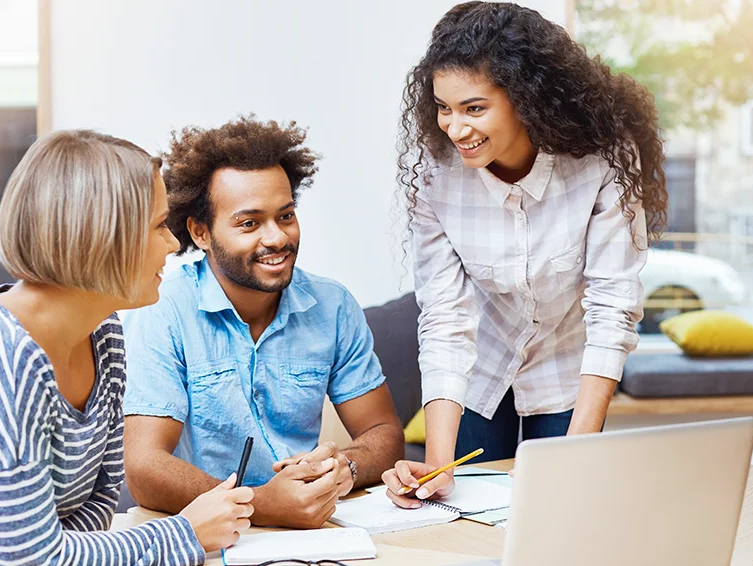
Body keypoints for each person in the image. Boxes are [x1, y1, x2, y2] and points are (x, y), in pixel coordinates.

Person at [0, 130, 254, 566]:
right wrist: (185, 533)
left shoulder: (104, 334)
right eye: (157, 227)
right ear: (102, 235)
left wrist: (17, 559)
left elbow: (96, 513)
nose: (174, 244)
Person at [383, 1, 668, 508]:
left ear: (527, 98)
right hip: (481, 369)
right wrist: (436, 465)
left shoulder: (603, 157)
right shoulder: (435, 176)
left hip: (567, 367)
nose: (455, 128)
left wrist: (580, 448)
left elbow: (612, 306)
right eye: (443, 108)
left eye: (474, 108)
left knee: (562, 512)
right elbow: (445, 317)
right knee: (463, 517)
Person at [122, 116, 404, 530]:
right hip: (201, 537)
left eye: (285, 216)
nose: (276, 238)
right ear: (201, 232)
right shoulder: (164, 309)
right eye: (249, 223)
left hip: (313, 532)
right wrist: (263, 503)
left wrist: (344, 467)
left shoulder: (333, 305)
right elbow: (145, 469)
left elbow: (384, 432)